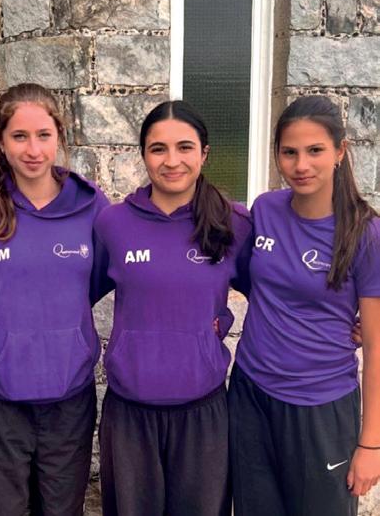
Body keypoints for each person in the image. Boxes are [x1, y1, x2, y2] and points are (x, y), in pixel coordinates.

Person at [93, 100, 252, 516]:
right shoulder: (113, 224)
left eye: (185, 147)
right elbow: (73, 293)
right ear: (143, 155)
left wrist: (343, 319)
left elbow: (276, 293)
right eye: (158, 148)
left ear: (204, 153)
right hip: (130, 415)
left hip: (203, 412)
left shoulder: (234, 222)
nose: (172, 161)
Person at [0, 83, 110, 516]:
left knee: (62, 510)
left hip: (69, 396)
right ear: (1, 142)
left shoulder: (92, 207)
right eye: (19, 136)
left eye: (43, 135)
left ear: (59, 136)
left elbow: (94, 282)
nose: (32, 149)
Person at [229, 95, 380, 515]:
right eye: (289, 152)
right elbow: (254, 281)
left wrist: (371, 443)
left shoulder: (365, 233)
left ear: (340, 151)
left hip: (321, 406)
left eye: (315, 150)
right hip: (251, 394)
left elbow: (375, 346)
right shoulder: (265, 209)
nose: (301, 165)